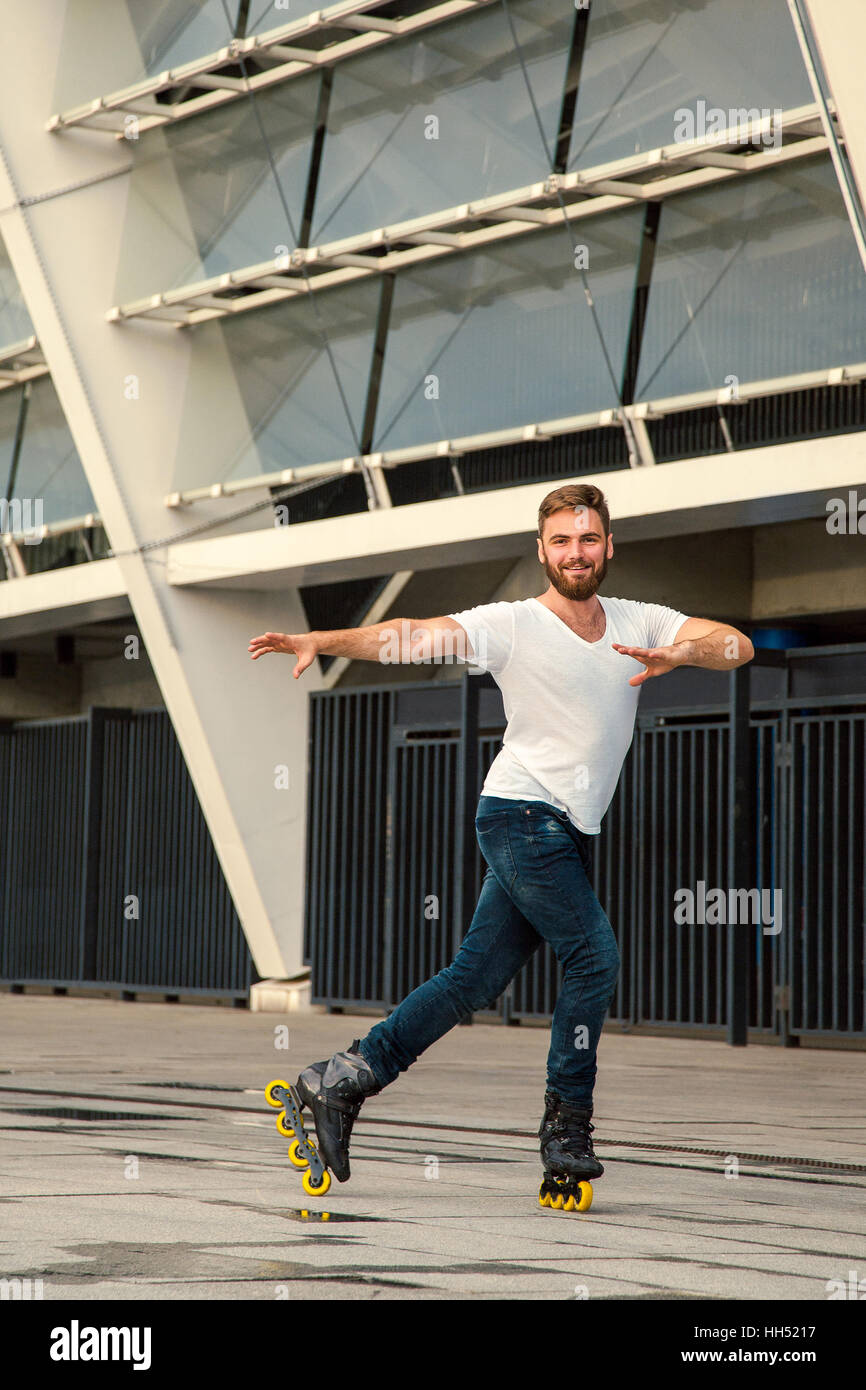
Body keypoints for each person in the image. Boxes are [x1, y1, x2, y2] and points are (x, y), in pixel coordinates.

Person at [248, 482, 754, 1198]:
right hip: (520, 813)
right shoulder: (514, 623)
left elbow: (739, 644)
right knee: (594, 956)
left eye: (587, 539)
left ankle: (338, 1082)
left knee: (473, 980)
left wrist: (687, 654)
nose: (575, 553)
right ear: (541, 551)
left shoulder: (643, 620)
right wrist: (322, 641)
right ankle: (567, 1126)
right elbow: (412, 635)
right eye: (560, 542)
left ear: (609, 545)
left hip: (568, 828)